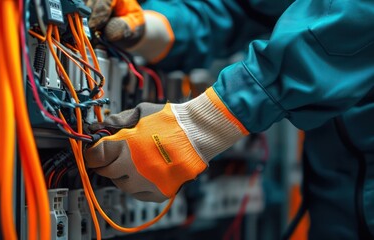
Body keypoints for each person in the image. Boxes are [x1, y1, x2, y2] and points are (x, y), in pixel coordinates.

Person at [83, 0, 374, 239]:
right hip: (340, 194)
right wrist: (160, 26)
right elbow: (243, 7)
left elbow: (356, 18)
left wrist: (202, 124)